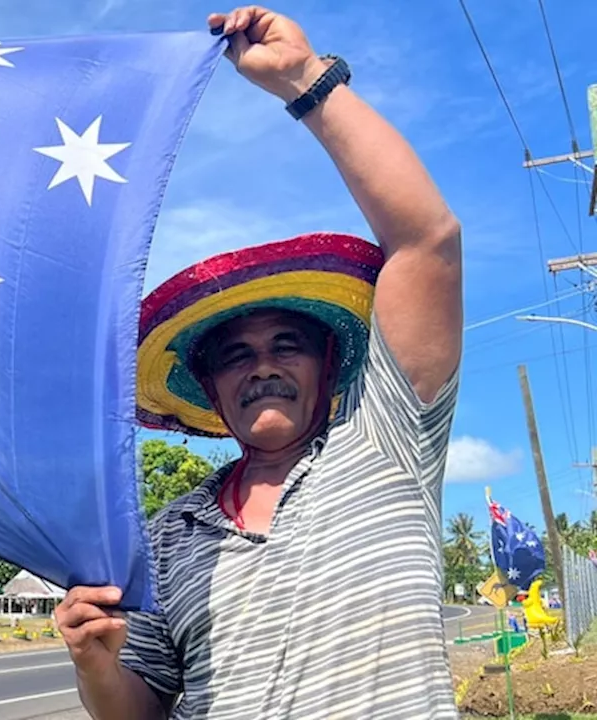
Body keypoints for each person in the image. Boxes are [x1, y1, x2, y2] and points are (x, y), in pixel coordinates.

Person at [58, 6, 462, 719]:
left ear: (329, 364)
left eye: (286, 345)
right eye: (236, 356)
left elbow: (427, 241)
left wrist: (305, 80)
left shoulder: (388, 445)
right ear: (209, 389)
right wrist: (95, 663)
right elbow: (143, 709)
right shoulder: (168, 533)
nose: (262, 367)